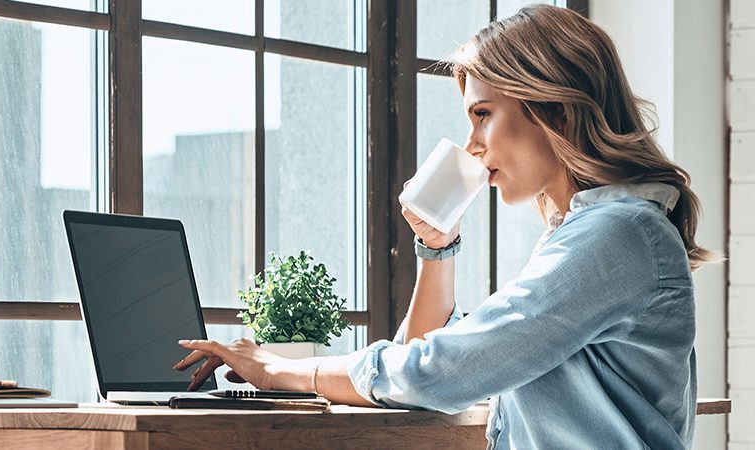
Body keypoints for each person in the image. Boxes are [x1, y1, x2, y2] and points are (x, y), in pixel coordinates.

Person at [173, 4, 717, 448]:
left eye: (482, 114)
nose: (473, 144)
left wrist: (278, 373)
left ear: (555, 109)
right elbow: (426, 363)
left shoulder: (615, 236)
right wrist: (438, 248)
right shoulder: (590, 235)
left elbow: (436, 374)